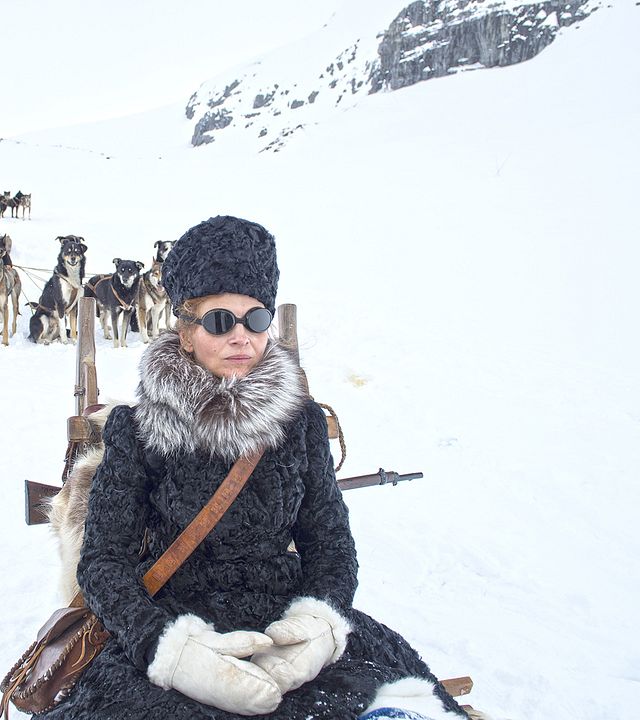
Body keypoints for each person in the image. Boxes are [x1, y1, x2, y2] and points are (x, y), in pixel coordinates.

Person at [36, 216, 466, 720]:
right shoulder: (138, 430)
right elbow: (104, 562)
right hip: (180, 628)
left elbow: (329, 543)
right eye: (221, 321)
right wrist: (168, 650)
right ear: (187, 332)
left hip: (285, 626)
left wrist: (319, 623)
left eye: (256, 319)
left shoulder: (299, 423)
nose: (241, 336)